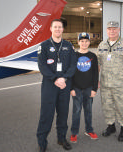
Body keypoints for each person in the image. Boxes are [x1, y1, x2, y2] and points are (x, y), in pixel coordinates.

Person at [36, 19, 77, 152]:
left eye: (60, 27)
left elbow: (73, 65)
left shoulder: (69, 46)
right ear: (51, 29)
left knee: (63, 113)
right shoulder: (44, 46)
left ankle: (61, 138)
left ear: (63, 29)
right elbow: (42, 66)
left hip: (64, 84)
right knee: (46, 114)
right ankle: (42, 143)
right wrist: (55, 79)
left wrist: (64, 78)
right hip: (50, 85)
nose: (58, 29)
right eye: (55, 27)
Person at [97, 21, 123, 142]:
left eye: (114, 29)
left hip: (121, 84)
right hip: (105, 84)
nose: (112, 31)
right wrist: (97, 80)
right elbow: (98, 64)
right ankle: (111, 127)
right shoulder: (102, 45)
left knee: (122, 107)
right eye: (109, 29)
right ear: (106, 30)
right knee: (107, 106)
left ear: (119, 30)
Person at [70, 32, 99, 143]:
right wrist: (71, 88)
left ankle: (89, 130)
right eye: (82, 41)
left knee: (88, 110)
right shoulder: (74, 56)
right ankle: (74, 132)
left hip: (88, 88)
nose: (84, 43)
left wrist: (94, 89)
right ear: (78, 42)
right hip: (76, 88)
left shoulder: (93, 56)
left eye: (86, 41)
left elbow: (96, 73)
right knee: (76, 111)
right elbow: (70, 73)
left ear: (89, 42)